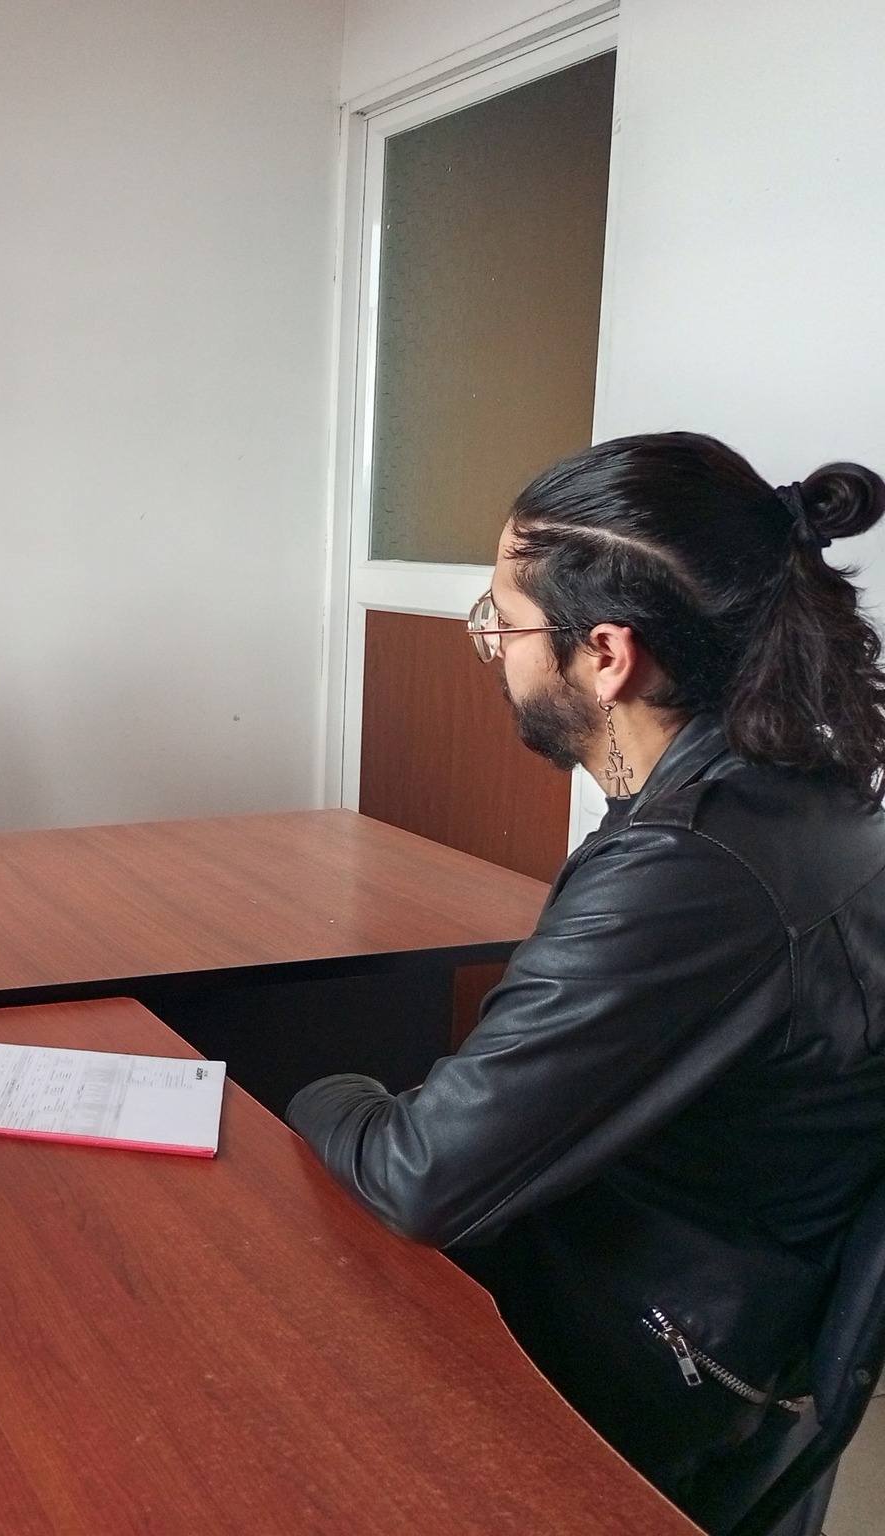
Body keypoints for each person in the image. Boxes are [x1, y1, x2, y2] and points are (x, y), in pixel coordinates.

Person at [288, 432, 885, 1533]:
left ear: (605, 654)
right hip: (735, 1312)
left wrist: (312, 1086)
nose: (493, 648)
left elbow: (420, 1174)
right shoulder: (810, 791)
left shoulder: (688, 871)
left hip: (646, 1366)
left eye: (503, 621)